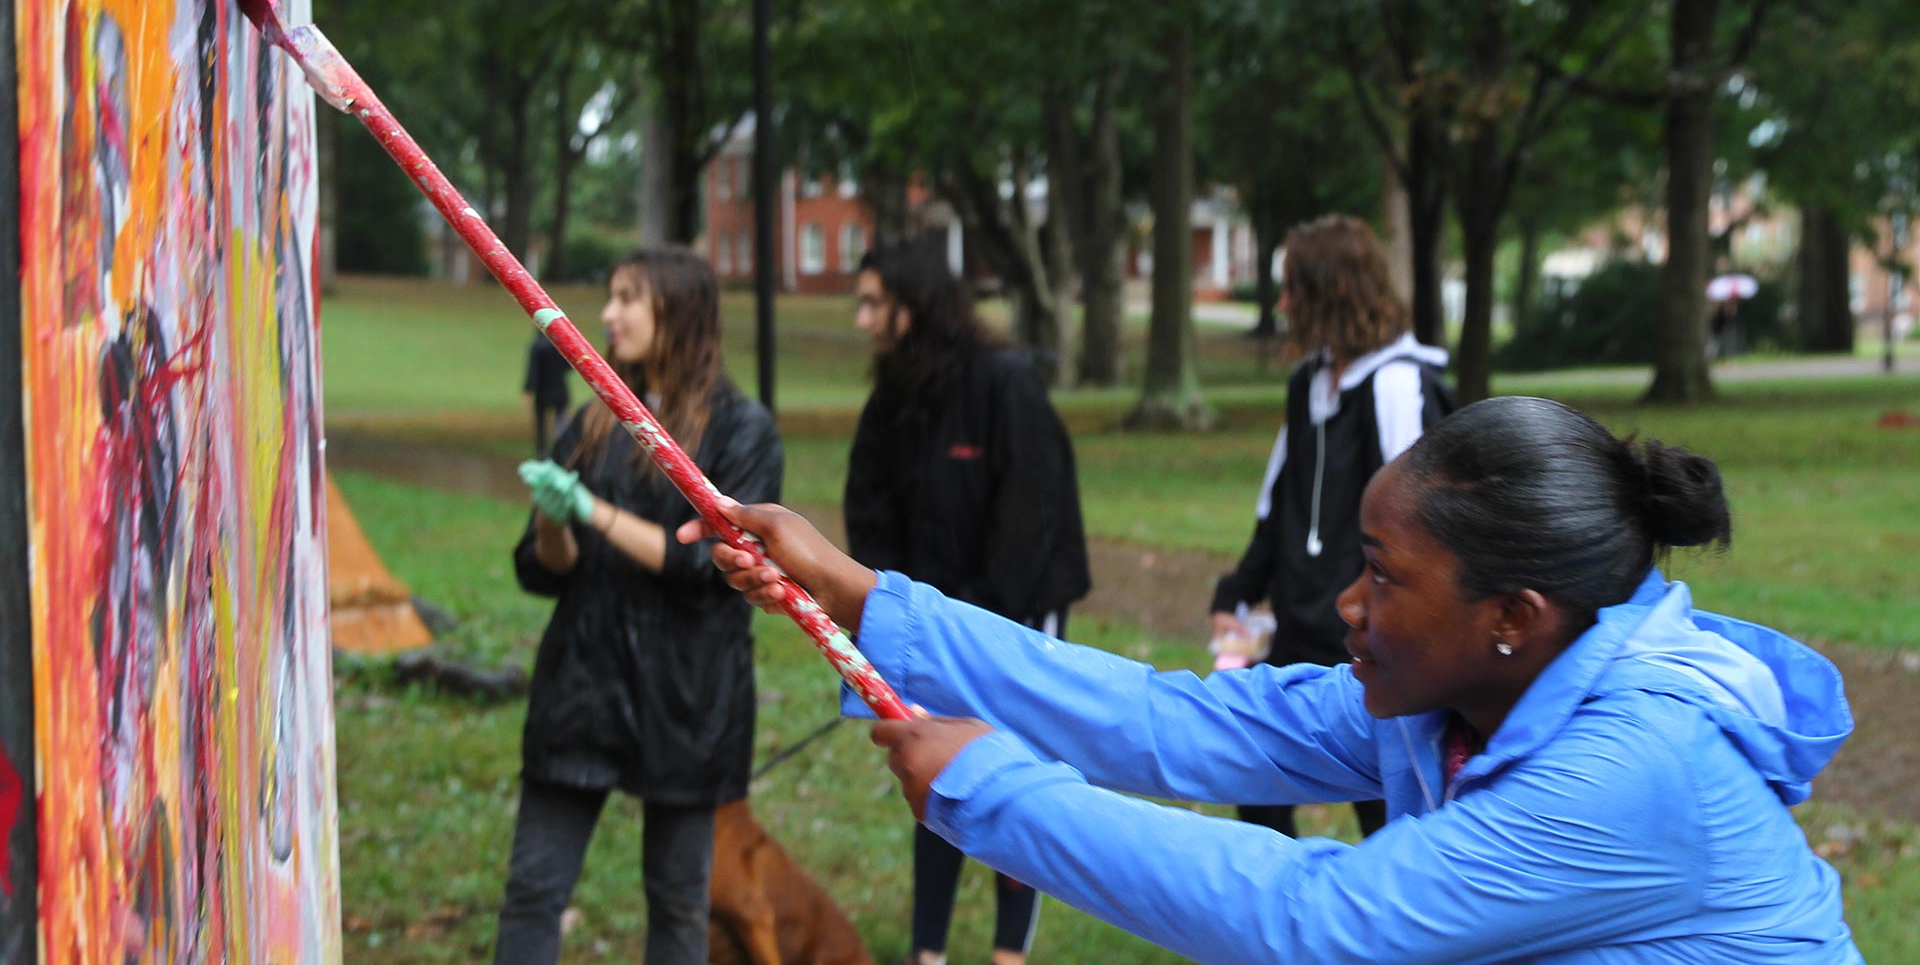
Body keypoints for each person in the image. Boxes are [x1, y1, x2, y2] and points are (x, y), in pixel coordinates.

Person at [681, 396, 1863, 964]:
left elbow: (1313, 921)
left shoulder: (1632, 767)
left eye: (1381, 575)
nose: (1348, 606)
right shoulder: (1465, 695)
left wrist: (997, 795)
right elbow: (1176, 720)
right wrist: (859, 595)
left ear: (1513, 616)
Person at [493, 247, 783, 965]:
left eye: (628, 298)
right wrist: (556, 520)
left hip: (688, 697)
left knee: (680, 901)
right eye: (611, 295)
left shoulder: (742, 431)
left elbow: (703, 565)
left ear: (677, 314)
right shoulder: (596, 421)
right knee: (534, 889)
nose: (608, 314)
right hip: (583, 685)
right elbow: (547, 570)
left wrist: (591, 511)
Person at [844, 242, 1091, 965]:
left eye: (871, 303)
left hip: (1015, 618)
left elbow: (1031, 517)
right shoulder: (893, 396)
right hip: (928, 629)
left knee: (1017, 774)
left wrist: (982, 624)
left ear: (910, 308)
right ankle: (929, 951)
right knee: (931, 768)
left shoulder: (1005, 384)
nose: (862, 321)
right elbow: (870, 511)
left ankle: (1008, 951)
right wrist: (897, 615)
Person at [1211, 214, 1450, 840]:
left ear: (1331, 292)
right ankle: (1278, 926)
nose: (1283, 304)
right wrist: (1237, 588)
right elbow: (1279, 499)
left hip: (1371, 639)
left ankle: (1398, 929)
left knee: (1389, 806)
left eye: (1293, 288)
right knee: (1258, 783)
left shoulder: (1401, 385)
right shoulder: (1307, 385)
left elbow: (1420, 531)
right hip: (1298, 630)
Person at [523, 330, 572, 454]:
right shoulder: (560, 346)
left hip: (542, 390)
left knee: (541, 423)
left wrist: (528, 389)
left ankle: (541, 450)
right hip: (560, 388)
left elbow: (532, 370)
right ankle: (562, 449)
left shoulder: (537, 346)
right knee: (560, 421)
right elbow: (569, 366)